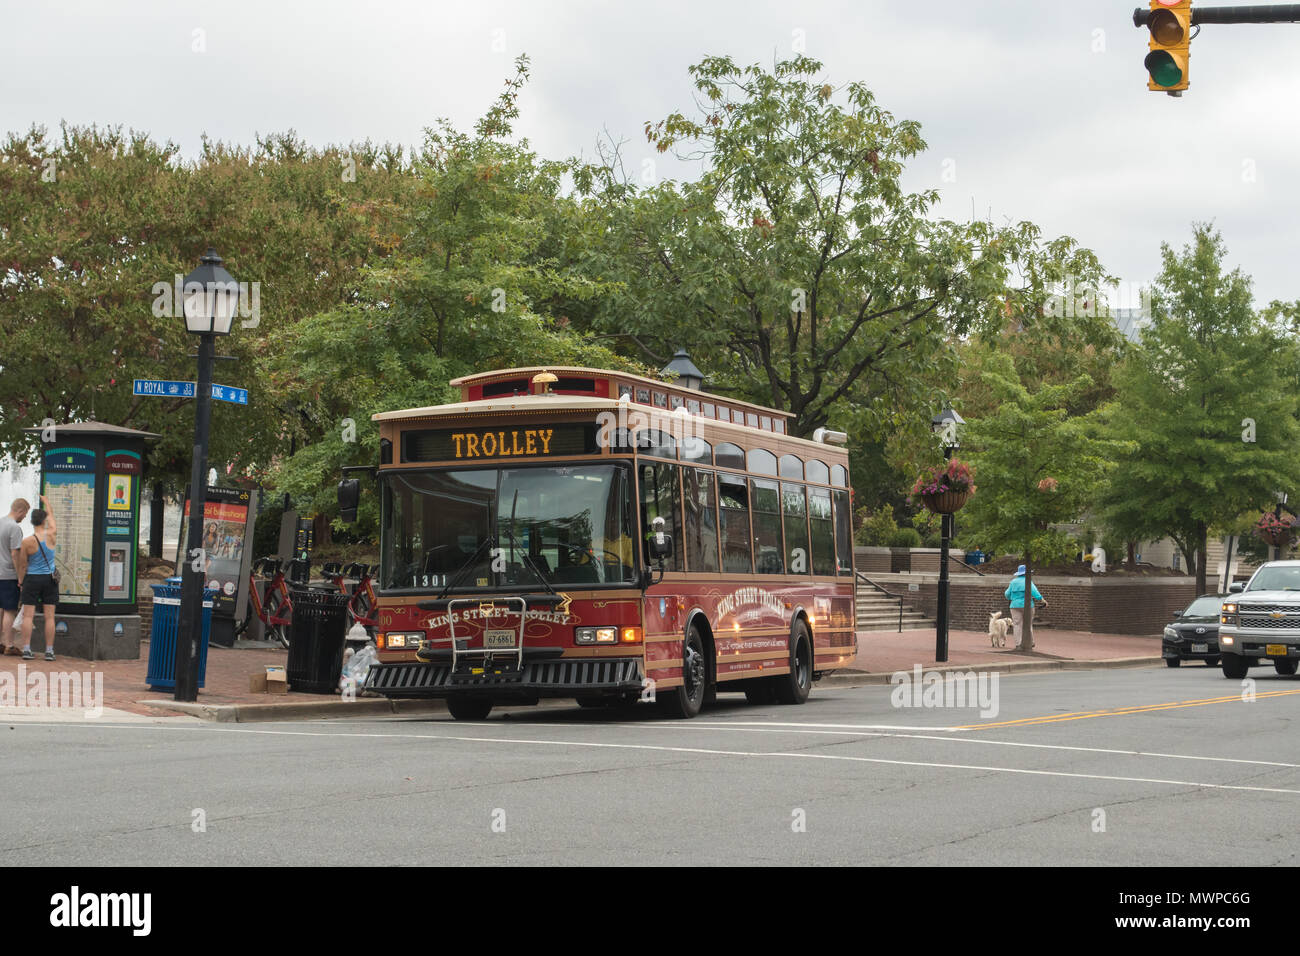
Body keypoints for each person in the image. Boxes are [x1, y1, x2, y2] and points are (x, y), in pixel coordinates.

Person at [16, 495, 58, 661]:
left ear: (32, 522)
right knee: (50, 616)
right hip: (49, 579)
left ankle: (26, 648)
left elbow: (23, 565)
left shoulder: (27, 542)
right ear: (44, 521)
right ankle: (49, 651)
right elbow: (52, 517)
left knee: (28, 615)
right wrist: (47, 502)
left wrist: (20, 580)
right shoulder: (52, 534)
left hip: (32, 579)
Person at [0, 497, 31, 654]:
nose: (24, 517)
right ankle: (9, 645)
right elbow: (15, 554)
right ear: (20, 510)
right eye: (24, 514)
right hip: (8, 574)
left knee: (0, 609)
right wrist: (21, 577)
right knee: (9, 610)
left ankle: (0, 642)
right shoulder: (14, 528)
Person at [1004, 564, 1047, 644]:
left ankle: (1018, 643)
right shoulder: (1028, 581)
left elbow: (1007, 594)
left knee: (1017, 624)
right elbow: (1035, 592)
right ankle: (1030, 642)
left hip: (1014, 606)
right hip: (1027, 605)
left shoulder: (1013, 582)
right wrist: (1042, 600)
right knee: (1028, 624)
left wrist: (1012, 598)